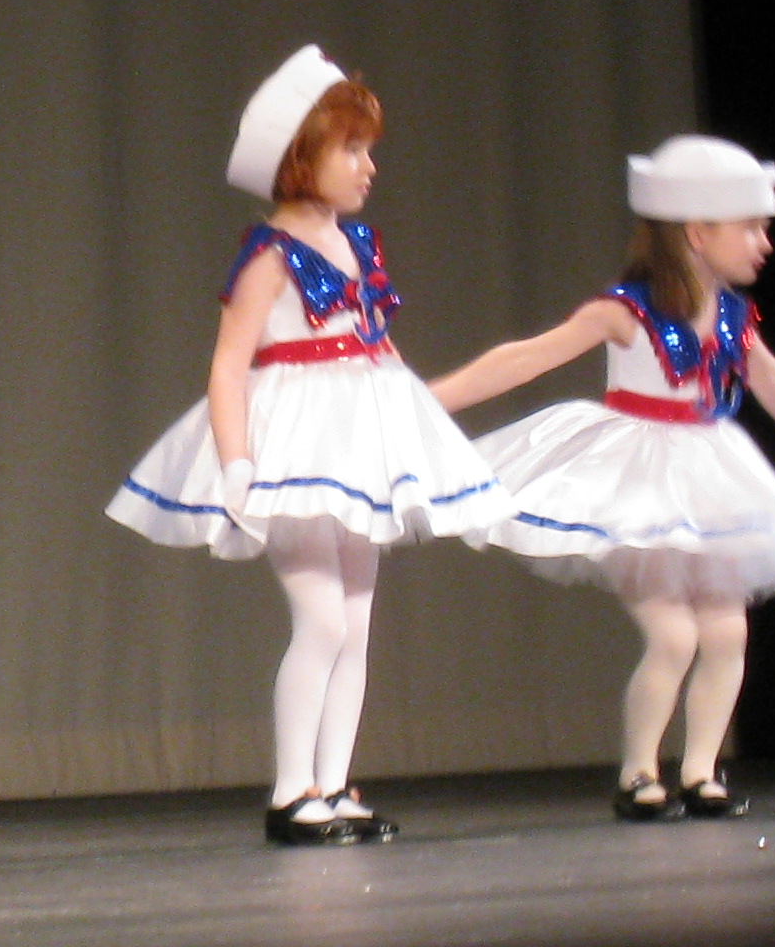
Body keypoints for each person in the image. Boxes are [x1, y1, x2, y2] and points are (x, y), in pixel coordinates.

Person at [107, 47, 510, 845]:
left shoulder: (360, 243)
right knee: (322, 620)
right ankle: (292, 790)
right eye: (350, 149)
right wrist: (237, 464)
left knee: (355, 623)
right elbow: (228, 366)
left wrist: (419, 425)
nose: (368, 167)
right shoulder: (268, 253)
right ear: (302, 156)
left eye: (368, 150)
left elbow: (379, 349)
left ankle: (332, 783)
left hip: (356, 438)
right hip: (292, 442)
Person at [423, 134, 775, 820]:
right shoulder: (626, 311)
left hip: (709, 475)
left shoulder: (735, 318)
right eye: (749, 227)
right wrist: (429, 402)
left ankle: (701, 772)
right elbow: (527, 358)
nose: (764, 243)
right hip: (637, 482)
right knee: (673, 636)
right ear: (697, 233)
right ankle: (638, 773)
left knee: (727, 634)